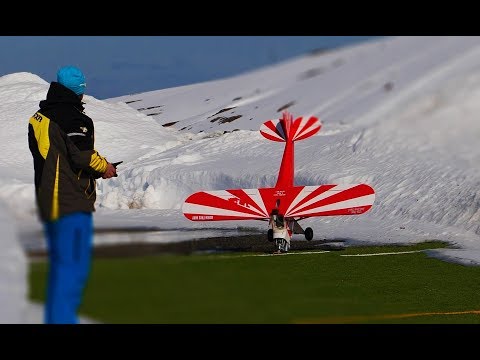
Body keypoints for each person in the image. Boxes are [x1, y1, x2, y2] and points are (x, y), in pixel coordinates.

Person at [27, 66, 117, 324]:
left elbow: (53, 155)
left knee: (62, 268)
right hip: (70, 200)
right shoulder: (75, 119)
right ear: (78, 91)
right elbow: (82, 156)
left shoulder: (39, 117)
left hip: (48, 198)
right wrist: (106, 168)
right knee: (72, 269)